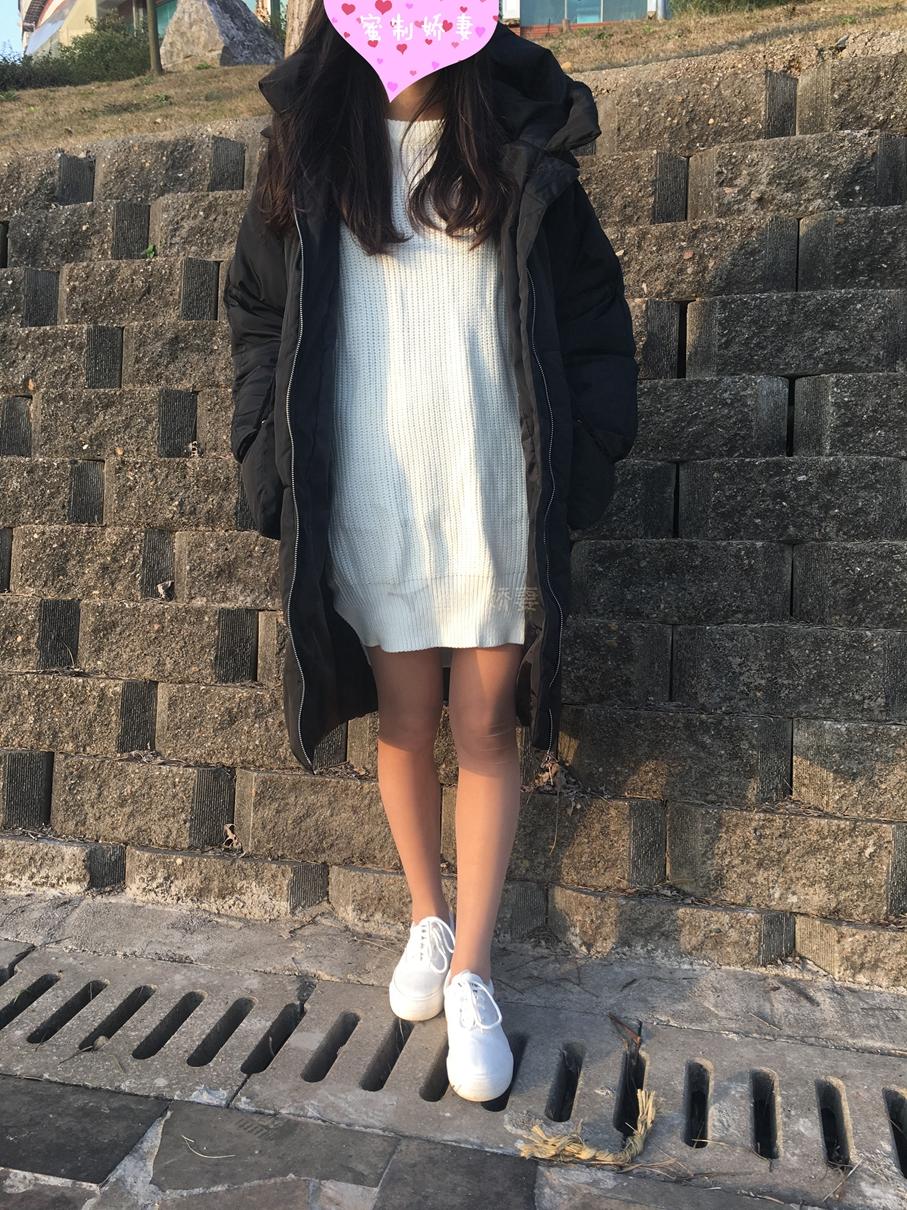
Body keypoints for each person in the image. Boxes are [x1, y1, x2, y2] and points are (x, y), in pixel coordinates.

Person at [223, 15, 638, 1104]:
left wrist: (587, 453)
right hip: (374, 493)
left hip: (492, 490)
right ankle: (426, 915)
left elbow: (592, 313)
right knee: (404, 722)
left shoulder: (517, 141)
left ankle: (473, 971)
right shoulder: (310, 148)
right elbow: (258, 312)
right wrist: (263, 450)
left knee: (486, 726)